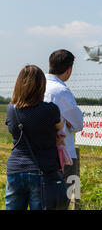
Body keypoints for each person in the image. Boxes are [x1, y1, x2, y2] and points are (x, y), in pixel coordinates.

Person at [4, 65, 64, 210]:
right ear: (41, 86)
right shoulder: (50, 109)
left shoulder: (11, 110)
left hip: (15, 169)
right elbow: (60, 126)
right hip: (42, 170)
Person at [44, 49, 83, 206]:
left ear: (50, 65)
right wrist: (68, 122)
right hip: (63, 155)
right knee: (61, 202)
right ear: (69, 69)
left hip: (38, 153)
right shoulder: (61, 91)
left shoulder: (36, 86)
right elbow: (78, 124)